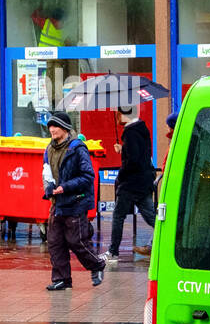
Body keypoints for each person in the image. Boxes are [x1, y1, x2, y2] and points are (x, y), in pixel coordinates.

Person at [43, 110, 106, 290]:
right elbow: (46, 172)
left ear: (65, 128)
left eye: (55, 126)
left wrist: (66, 186)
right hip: (57, 203)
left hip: (75, 202)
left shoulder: (78, 148)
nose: (52, 130)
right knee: (55, 242)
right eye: (50, 127)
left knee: (76, 241)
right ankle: (61, 279)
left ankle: (97, 265)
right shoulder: (49, 150)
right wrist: (48, 187)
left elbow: (88, 176)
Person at [98, 106, 155, 264]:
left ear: (124, 115)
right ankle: (172, 237)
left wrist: (121, 176)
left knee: (118, 216)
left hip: (131, 183)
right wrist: (123, 150)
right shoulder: (141, 128)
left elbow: (134, 160)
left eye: (118, 114)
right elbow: (140, 153)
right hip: (143, 181)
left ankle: (113, 252)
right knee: (151, 216)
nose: (117, 117)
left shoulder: (130, 132)